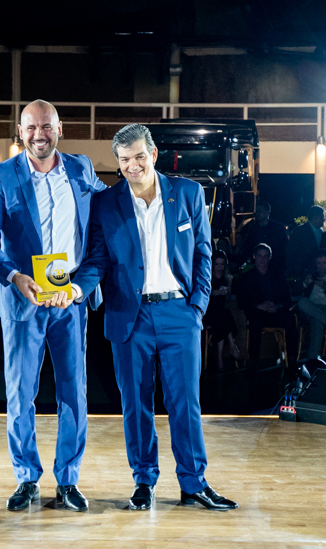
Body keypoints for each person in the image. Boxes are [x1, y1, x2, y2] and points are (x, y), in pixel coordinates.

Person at [72, 123, 238, 513]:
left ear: (154, 154)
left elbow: (203, 253)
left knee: (185, 403)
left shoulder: (189, 193)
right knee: (135, 404)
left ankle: (194, 483)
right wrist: (77, 288)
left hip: (179, 312)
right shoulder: (105, 203)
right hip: (129, 317)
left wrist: (197, 307)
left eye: (139, 157)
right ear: (117, 162)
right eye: (124, 160)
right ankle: (144, 481)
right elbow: (98, 259)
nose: (132, 166)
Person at [0, 99, 107, 513]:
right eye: (31, 127)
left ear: (60, 129)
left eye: (46, 126)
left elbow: (101, 231)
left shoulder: (82, 169)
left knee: (74, 393)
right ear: (20, 131)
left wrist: (80, 287)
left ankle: (68, 480)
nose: (39, 135)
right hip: (23, 299)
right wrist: (13, 275)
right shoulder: (1, 175)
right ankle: (26, 478)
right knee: (20, 395)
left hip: (70, 299)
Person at [235, 243, 300, 372]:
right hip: (257, 311)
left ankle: (292, 359)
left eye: (265, 256)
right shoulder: (246, 277)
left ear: (270, 257)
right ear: (254, 257)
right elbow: (241, 301)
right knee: (255, 321)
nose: (262, 259)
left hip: (276, 311)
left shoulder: (277, 276)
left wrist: (278, 306)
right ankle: (253, 360)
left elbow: (287, 299)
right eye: (259, 256)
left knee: (290, 319)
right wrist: (258, 306)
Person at [204, 250, 242, 369]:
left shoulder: (227, 278)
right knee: (223, 315)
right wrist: (212, 293)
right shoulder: (207, 277)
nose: (219, 267)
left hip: (220, 313)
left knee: (223, 316)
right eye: (217, 264)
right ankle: (232, 346)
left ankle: (220, 355)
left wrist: (226, 292)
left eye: (222, 264)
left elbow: (228, 300)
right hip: (208, 312)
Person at [297, 249, 326, 360]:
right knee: (302, 301)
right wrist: (305, 283)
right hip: (311, 308)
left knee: (316, 320)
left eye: (325, 263)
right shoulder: (311, 273)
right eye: (319, 263)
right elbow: (295, 292)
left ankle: (312, 359)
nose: (321, 266)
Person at [237, 201, 287, 274]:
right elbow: (248, 248)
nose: (257, 213)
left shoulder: (278, 228)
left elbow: (283, 247)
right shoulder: (253, 230)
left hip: (275, 266)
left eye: (260, 211)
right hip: (258, 266)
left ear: (267, 213)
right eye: (257, 211)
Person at [286, 205, 326, 279]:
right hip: (302, 272)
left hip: (317, 272)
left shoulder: (322, 232)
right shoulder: (299, 231)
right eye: (322, 217)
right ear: (315, 218)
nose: (324, 219)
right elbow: (291, 252)